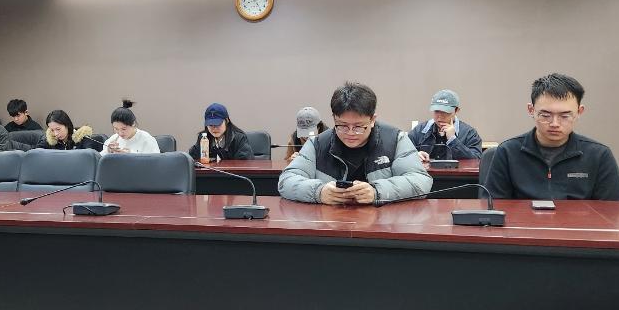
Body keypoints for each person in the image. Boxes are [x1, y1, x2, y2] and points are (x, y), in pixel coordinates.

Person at [279, 82, 432, 205]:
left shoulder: (395, 140)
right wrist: (319, 192)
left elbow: (420, 181)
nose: (350, 133)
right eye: (342, 125)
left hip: (382, 225)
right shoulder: (317, 144)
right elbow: (286, 180)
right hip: (330, 224)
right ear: (334, 118)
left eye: (358, 126)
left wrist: (377, 191)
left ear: (372, 119)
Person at [485, 73, 619, 200]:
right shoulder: (508, 152)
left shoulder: (599, 155)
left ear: (579, 112)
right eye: (545, 115)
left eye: (565, 116)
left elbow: (613, 211)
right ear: (531, 110)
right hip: (524, 221)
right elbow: (493, 208)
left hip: (578, 222)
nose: (554, 124)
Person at [408, 89, 482, 161]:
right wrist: (414, 155)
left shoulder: (469, 133)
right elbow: (403, 154)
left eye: (445, 111)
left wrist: (453, 140)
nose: (440, 116)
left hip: (456, 170)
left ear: (456, 110)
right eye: (436, 111)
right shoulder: (419, 131)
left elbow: (476, 161)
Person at [188, 103, 253, 161]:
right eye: (210, 124)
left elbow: (245, 163)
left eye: (218, 124)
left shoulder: (239, 138)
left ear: (227, 121)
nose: (214, 128)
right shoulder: (203, 138)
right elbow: (192, 159)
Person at [36, 110, 102, 152]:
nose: (55, 134)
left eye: (58, 129)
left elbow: (88, 157)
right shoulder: (50, 140)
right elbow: (35, 152)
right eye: (52, 130)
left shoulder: (83, 138)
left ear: (67, 125)